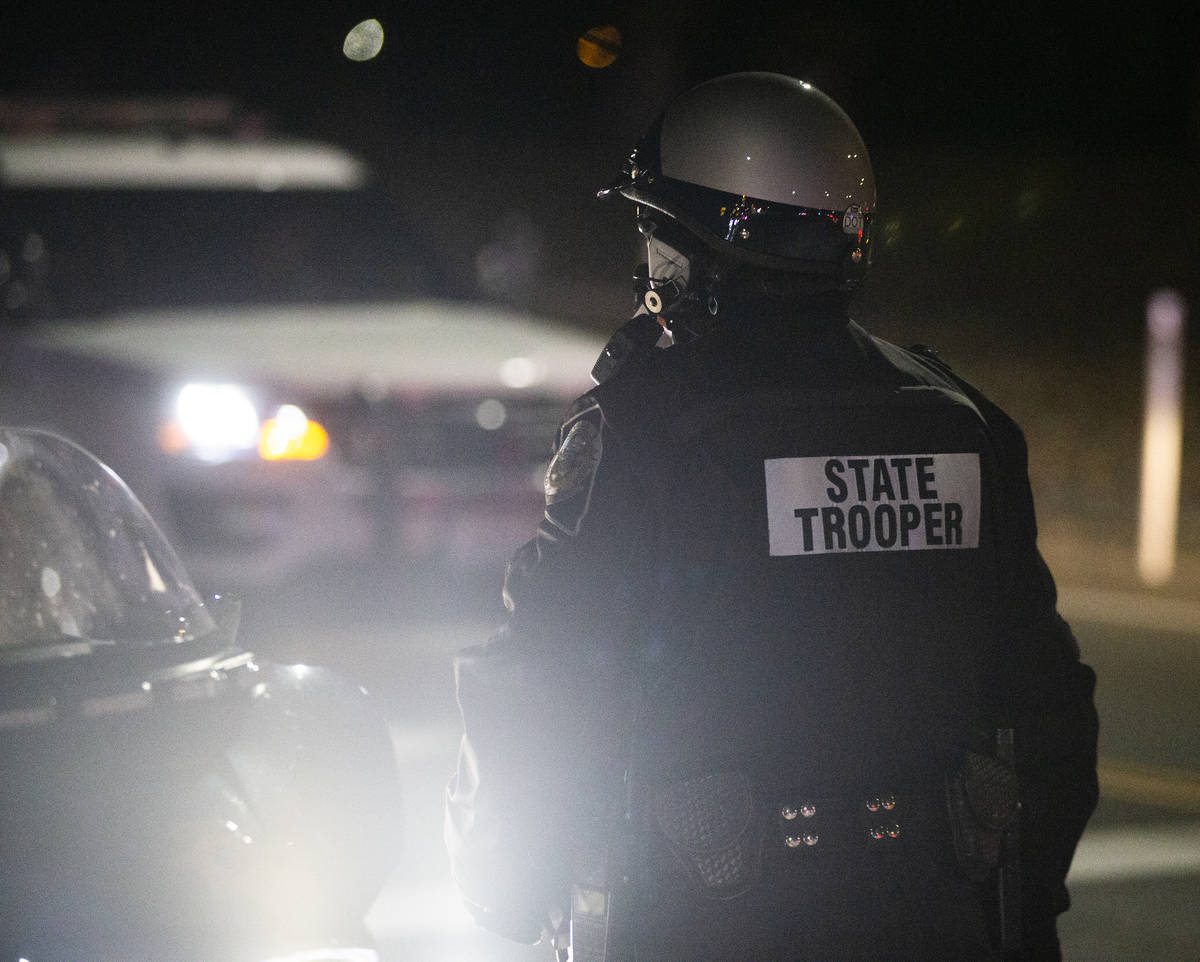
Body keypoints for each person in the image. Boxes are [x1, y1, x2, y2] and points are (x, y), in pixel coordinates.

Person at [444, 72, 1098, 961]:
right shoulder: (960, 420)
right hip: (943, 916)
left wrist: (508, 892)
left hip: (709, 917)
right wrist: (1017, 914)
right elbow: (1051, 709)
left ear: (695, 245)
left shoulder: (644, 429)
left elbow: (546, 678)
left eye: (654, 235)